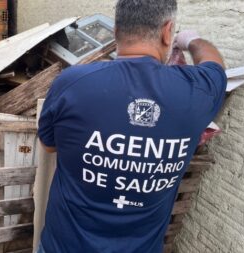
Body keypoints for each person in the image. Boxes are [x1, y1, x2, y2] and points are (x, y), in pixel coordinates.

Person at [37, 0, 227, 252]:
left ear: (115, 31)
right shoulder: (198, 91)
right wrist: (191, 40)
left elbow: (49, 146)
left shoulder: (72, 83)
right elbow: (215, 67)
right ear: (167, 31)